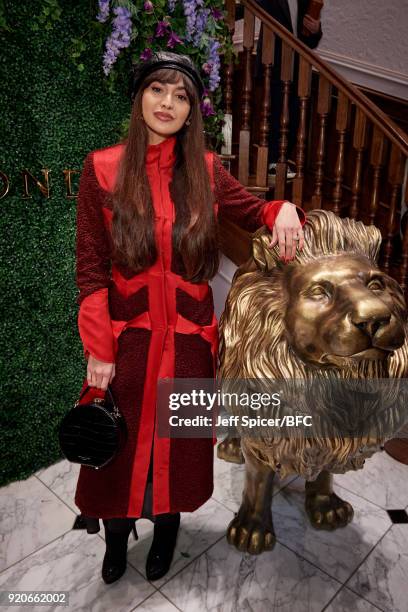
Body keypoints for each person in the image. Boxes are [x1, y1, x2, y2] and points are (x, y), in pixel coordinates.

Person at [74, 51, 306, 585]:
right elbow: (91, 269)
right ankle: (114, 537)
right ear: (139, 98)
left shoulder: (205, 171)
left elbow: (253, 212)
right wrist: (100, 349)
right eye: (158, 90)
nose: (168, 103)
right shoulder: (102, 168)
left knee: (175, 454)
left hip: (191, 341)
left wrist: (284, 209)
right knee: (120, 447)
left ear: (191, 112)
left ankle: (168, 530)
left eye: (181, 96)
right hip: (128, 340)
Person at [254, 0, 323, 173]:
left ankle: (282, 160)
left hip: (297, 68)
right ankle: (270, 161)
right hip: (273, 65)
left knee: (294, 115)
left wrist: (316, 30)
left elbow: (310, 41)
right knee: (274, 113)